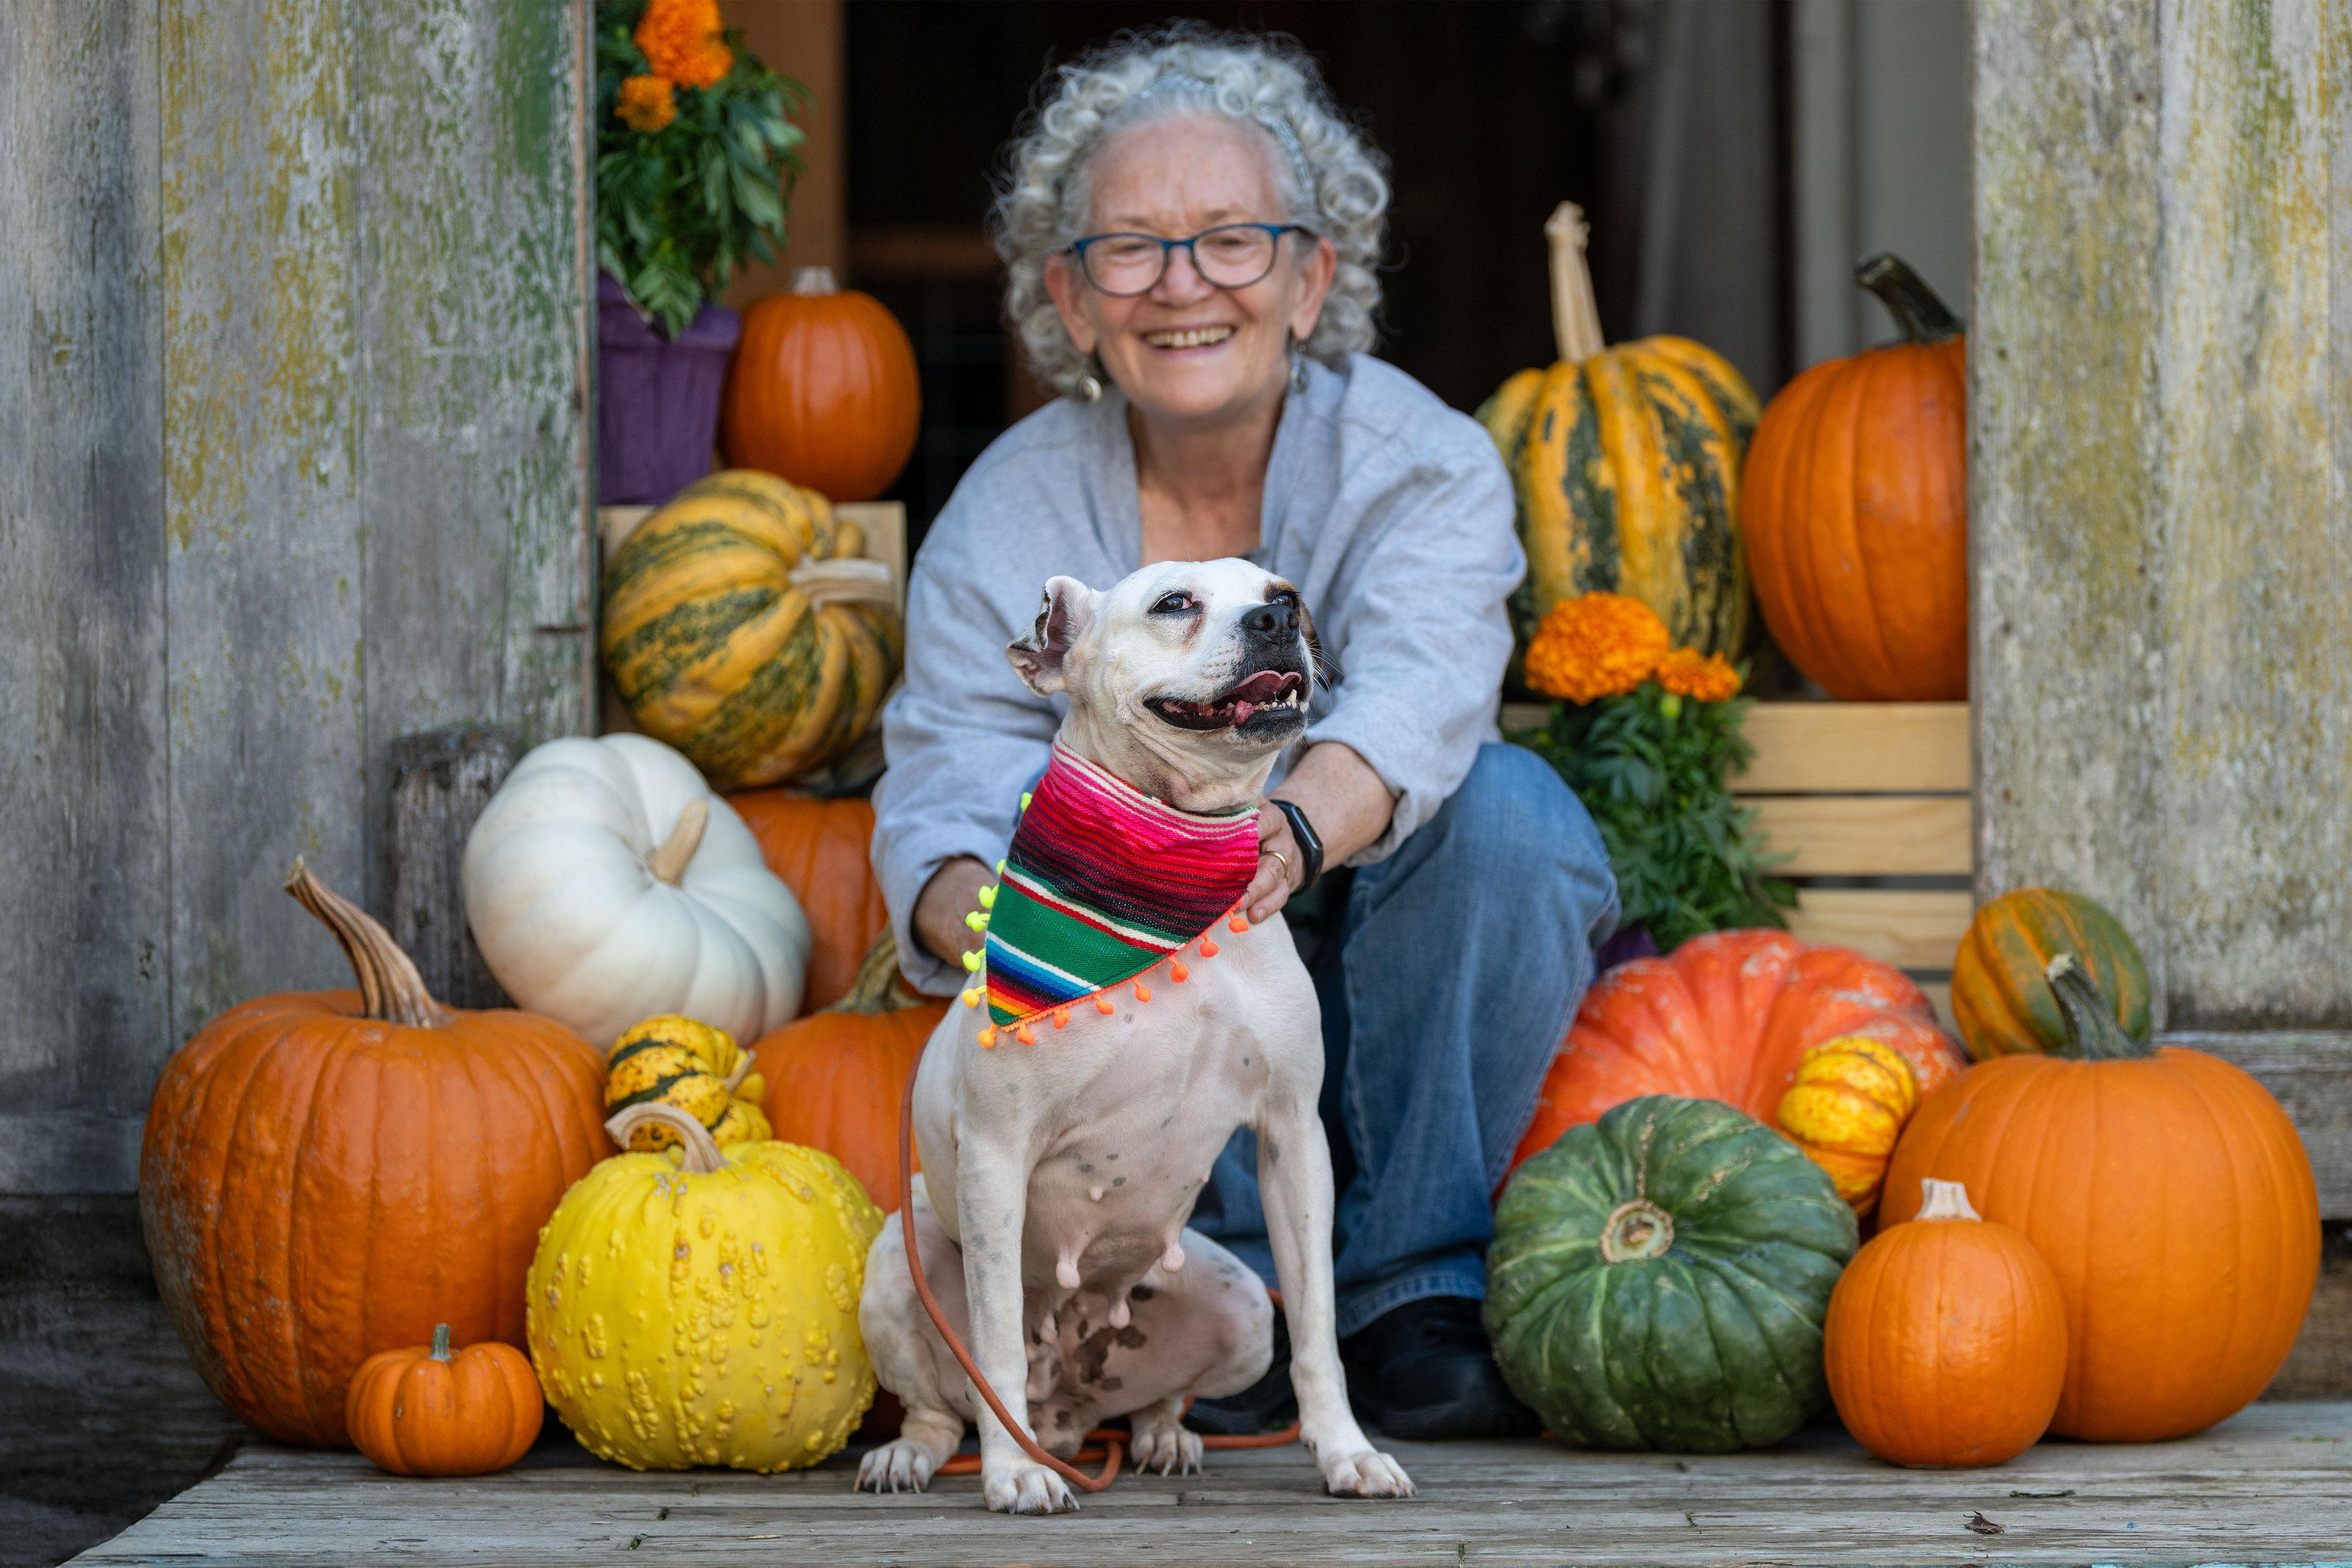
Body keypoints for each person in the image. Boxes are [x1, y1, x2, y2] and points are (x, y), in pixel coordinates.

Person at [869, 25, 1618, 1441]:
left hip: (1360, 908)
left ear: (1311, 274)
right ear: (1071, 300)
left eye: (1231, 240)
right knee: (1077, 877)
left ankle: (1415, 1289)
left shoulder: (1422, 461)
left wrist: (1279, 838)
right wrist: (1015, 921)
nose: (1183, 286)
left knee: (1515, 821)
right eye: (1131, 251)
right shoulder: (1006, 518)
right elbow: (953, 774)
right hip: (1124, 980)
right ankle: (1215, 1295)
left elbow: (1422, 691)